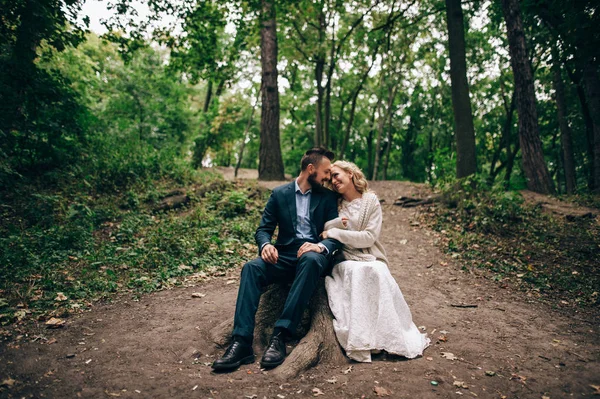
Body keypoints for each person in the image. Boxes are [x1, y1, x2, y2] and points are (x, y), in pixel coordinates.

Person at [212, 148, 342, 371]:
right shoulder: (280, 194)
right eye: (326, 172)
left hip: (314, 256)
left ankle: (280, 336)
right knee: (251, 268)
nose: (328, 178)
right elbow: (264, 229)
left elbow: (335, 235)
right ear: (310, 169)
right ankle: (241, 342)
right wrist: (266, 245)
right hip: (284, 256)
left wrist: (320, 247)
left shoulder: (329, 197)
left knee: (310, 260)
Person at [321, 160, 430, 362]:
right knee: (358, 272)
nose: (334, 181)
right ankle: (363, 340)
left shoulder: (371, 202)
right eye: (330, 179)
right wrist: (336, 225)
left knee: (376, 270)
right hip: (345, 258)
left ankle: (386, 337)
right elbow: (324, 228)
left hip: (370, 255)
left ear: (350, 173)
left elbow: (369, 237)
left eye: (337, 175)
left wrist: (336, 232)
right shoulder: (333, 203)